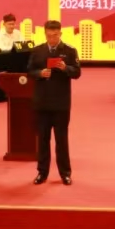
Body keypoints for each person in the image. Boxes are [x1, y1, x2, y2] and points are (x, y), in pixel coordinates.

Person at [28, 20, 80, 186]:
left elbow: (77, 72)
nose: (52, 39)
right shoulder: (38, 51)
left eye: (55, 35)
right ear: (45, 34)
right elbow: (29, 71)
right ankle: (42, 172)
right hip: (42, 102)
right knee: (43, 140)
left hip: (61, 103)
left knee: (61, 140)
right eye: (49, 36)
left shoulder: (70, 51)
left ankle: (65, 173)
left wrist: (65, 68)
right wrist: (40, 73)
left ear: (60, 34)